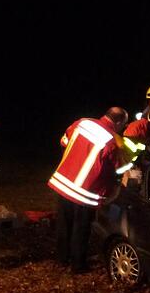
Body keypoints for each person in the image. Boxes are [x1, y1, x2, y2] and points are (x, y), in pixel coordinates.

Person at [48, 107, 132, 272]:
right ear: (119, 122)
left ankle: (61, 259)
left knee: (64, 224)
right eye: (124, 124)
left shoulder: (82, 123)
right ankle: (78, 265)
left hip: (64, 183)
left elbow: (64, 141)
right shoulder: (111, 141)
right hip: (84, 192)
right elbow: (117, 169)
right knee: (81, 228)